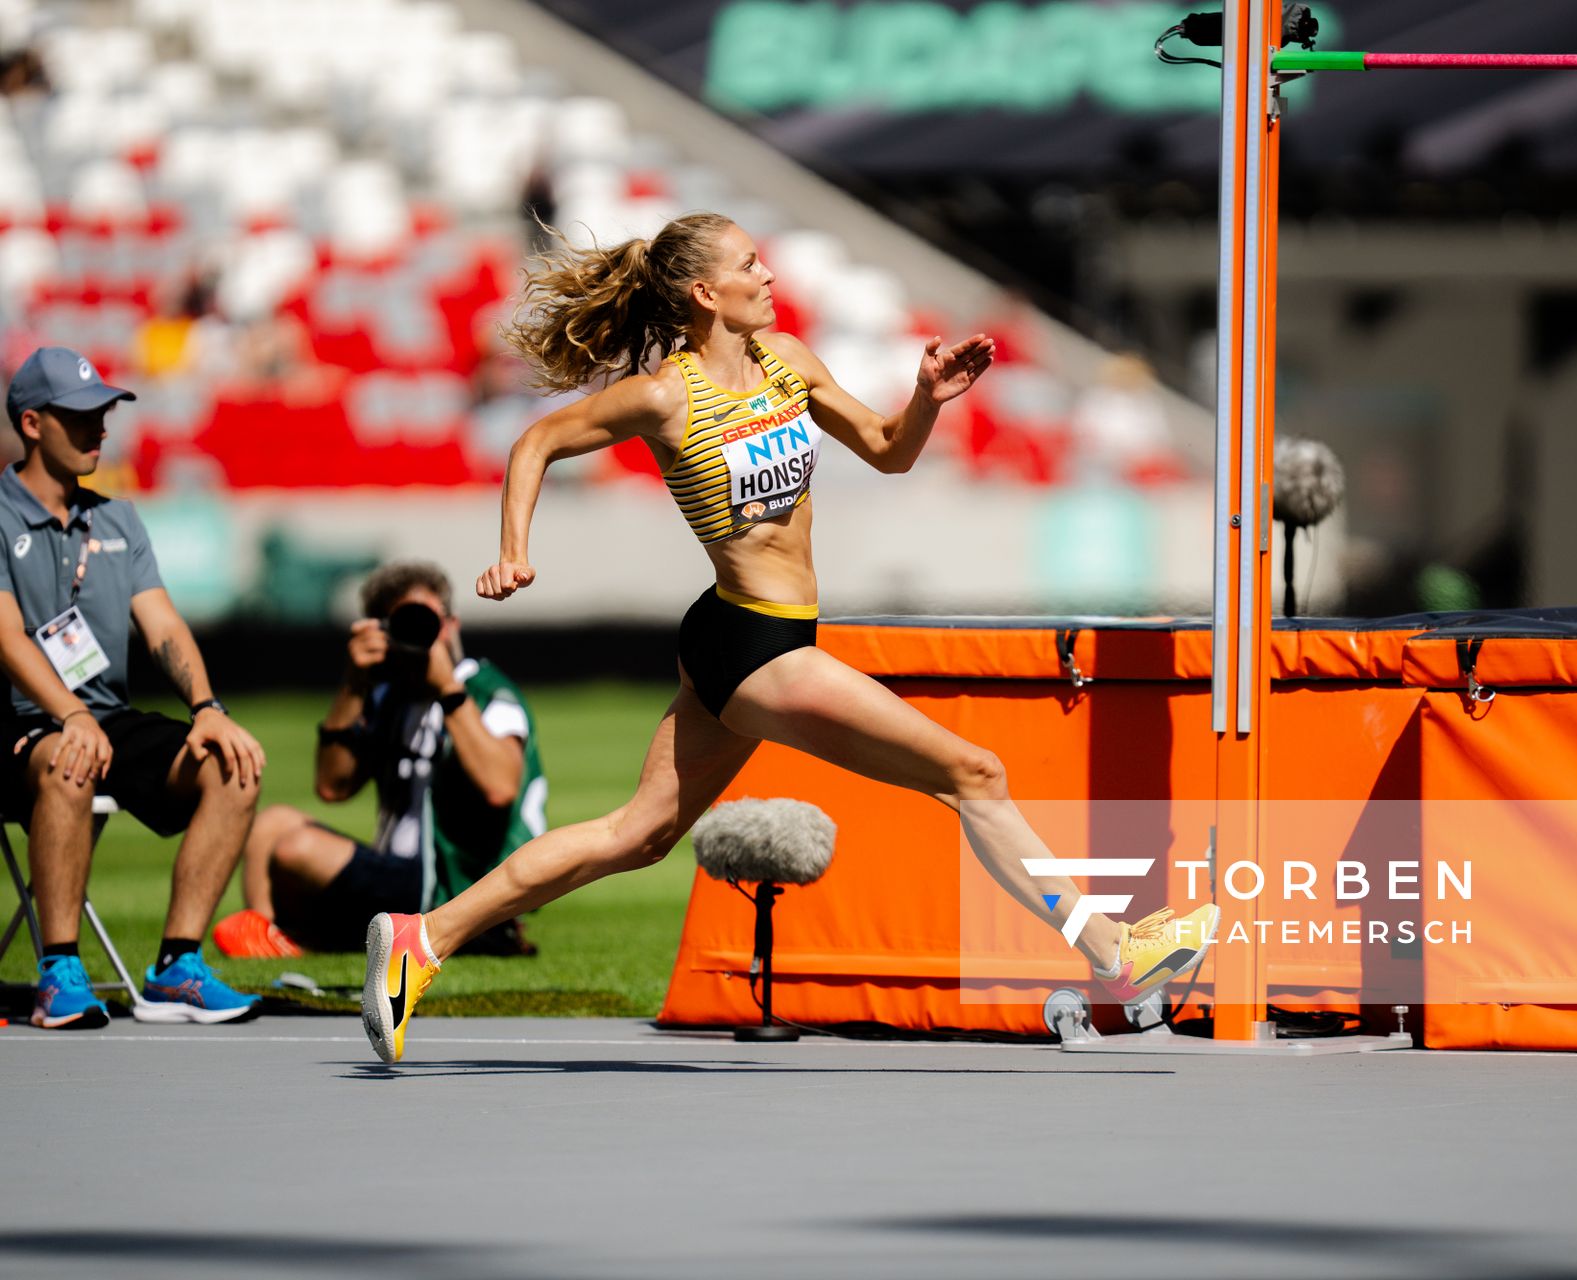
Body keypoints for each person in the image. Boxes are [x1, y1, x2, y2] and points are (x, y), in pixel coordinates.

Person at [362, 212, 1217, 1061]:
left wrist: (925, 397)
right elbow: (537, 440)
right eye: (750, 264)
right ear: (707, 292)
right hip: (753, 645)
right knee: (973, 772)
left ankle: (420, 940)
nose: (770, 276)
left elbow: (888, 450)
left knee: (638, 836)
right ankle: (1114, 954)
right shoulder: (666, 393)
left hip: (748, 638)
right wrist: (514, 552)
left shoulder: (789, 363)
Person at [0, 346, 265, 1028]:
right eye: (81, 415)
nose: (100, 428)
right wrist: (67, 715)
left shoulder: (117, 519)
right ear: (33, 423)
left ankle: (178, 965)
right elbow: (6, 636)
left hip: (103, 717)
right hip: (18, 723)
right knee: (68, 759)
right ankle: (59, 971)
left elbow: (161, 622)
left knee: (233, 766)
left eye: (104, 413)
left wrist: (207, 709)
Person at [214, 561, 546, 958]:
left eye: (429, 621)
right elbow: (332, 786)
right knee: (270, 825)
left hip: (459, 881)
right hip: (400, 872)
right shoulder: (390, 695)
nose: (422, 636)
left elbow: (500, 786)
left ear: (452, 624)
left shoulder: (486, 690)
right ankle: (270, 938)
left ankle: (301, 939)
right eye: (402, 625)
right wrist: (354, 683)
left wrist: (448, 690)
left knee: (297, 847)